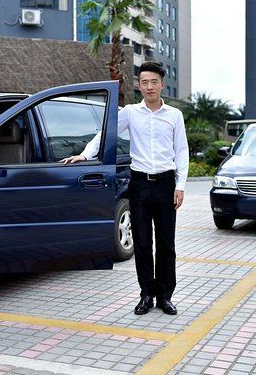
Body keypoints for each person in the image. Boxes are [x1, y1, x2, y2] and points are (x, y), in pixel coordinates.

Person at [61, 61, 189, 316]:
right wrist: (85, 155)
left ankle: (165, 297)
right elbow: (105, 134)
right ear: (139, 85)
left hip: (165, 184)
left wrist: (180, 185)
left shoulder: (174, 115)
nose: (149, 86)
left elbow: (182, 151)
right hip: (140, 184)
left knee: (166, 244)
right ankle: (146, 295)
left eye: (154, 82)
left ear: (162, 85)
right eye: (144, 82)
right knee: (142, 243)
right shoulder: (131, 112)